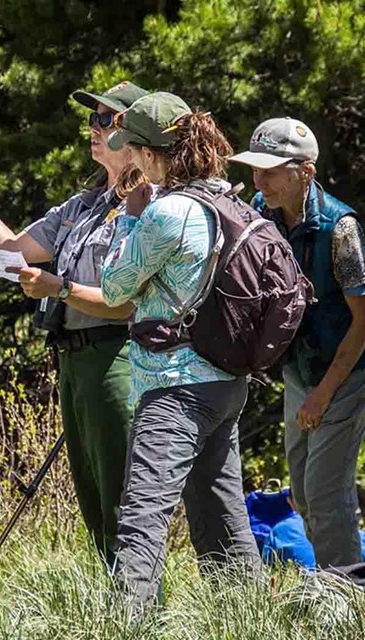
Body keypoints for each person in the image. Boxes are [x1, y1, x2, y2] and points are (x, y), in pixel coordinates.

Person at [0, 81, 149, 567]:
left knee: (121, 491)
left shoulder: (148, 204)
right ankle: (113, 600)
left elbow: (129, 302)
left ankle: (139, 605)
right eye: (90, 119)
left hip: (117, 357)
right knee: (92, 494)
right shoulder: (83, 204)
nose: (91, 130)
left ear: (132, 132)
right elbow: (11, 249)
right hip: (73, 359)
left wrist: (60, 288)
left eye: (103, 120)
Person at [101, 92, 260, 606]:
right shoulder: (224, 199)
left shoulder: (167, 212)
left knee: (142, 517)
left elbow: (113, 287)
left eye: (134, 152)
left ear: (150, 155)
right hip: (224, 381)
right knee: (221, 511)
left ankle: (128, 623)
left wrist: (129, 214)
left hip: (174, 387)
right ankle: (246, 616)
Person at [230, 117, 365, 568]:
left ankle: (344, 597)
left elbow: (363, 322)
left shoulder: (340, 230)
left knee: (327, 494)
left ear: (305, 171)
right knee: (304, 494)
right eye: (254, 168)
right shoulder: (259, 209)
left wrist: (324, 394)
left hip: (346, 374)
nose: (258, 179)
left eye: (270, 170)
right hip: (299, 372)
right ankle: (340, 580)